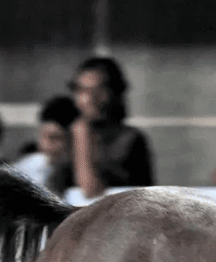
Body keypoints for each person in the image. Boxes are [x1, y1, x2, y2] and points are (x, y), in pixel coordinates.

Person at [58, 56, 153, 200]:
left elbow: (91, 193)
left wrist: (81, 136)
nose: (90, 99)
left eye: (99, 90)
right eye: (82, 90)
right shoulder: (65, 137)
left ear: (115, 93)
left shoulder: (129, 140)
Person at [12, 95, 78, 193]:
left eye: (54, 138)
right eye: (42, 136)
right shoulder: (24, 173)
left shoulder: (93, 177)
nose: (44, 145)